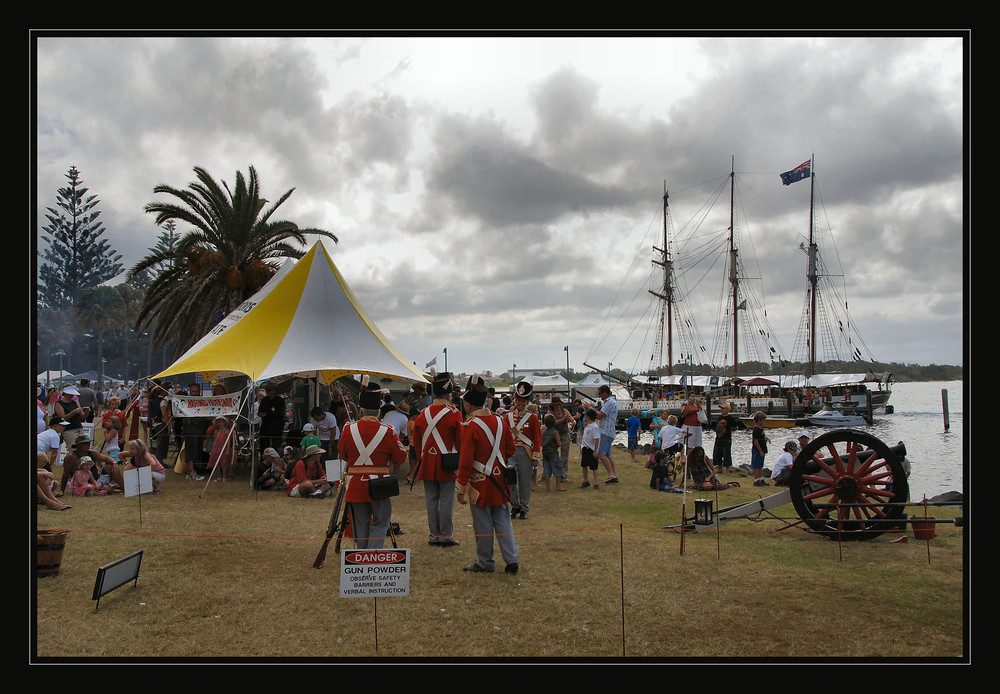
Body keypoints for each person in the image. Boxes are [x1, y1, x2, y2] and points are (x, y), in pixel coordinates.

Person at [455, 374, 520, 574]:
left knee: (482, 524)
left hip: (480, 481)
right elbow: (511, 450)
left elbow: (465, 460)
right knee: (502, 520)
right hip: (499, 479)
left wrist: (461, 487)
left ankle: (485, 562)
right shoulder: (500, 421)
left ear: (467, 405)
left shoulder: (470, 426)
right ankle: (512, 560)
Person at [339, 377, 407, 549]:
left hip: (355, 485)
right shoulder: (388, 431)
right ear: (379, 412)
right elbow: (400, 458)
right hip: (380, 484)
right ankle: (374, 555)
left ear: (360, 411)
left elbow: (343, 455)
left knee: (360, 524)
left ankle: (361, 556)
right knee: (380, 522)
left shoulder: (348, 430)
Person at [410, 369, 463, 547]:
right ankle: (445, 535)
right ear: (448, 394)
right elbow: (460, 441)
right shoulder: (454, 413)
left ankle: (434, 535)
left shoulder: (423, 413)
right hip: (446, 462)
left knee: (431, 500)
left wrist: (421, 458)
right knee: (446, 500)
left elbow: (416, 441)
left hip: (427, 462)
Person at [505, 380, 542, 520]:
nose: (520, 403)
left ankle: (524, 508)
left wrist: (535, 457)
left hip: (526, 453)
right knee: (510, 479)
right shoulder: (509, 417)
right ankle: (515, 505)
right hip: (512, 453)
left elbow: (537, 439)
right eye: (518, 400)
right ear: (515, 400)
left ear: (527, 402)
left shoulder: (532, 418)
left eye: (523, 400)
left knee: (525, 482)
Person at [179, 382, 207, 481]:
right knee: (190, 451)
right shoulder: (186, 402)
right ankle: (191, 472)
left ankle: (193, 471)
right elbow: (186, 419)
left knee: (197, 452)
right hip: (190, 431)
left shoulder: (201, 402)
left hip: (200, 430)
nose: (195, 393)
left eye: (197, 391)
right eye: (193, 391)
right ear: (190, 391)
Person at [595, 384, 619, 484]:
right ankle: (613, 474)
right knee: (607, 455)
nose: (599, 395)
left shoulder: (609, 402)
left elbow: (600, 415)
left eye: (600, 393)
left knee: (600, 454)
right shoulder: (612, 402)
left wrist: (589, 408)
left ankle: (611, 474)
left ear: (605, 393)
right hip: (609, 431)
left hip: (605, 431)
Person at [712, 402, 745, 475]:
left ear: (727, 409)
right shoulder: (719, 418)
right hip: (718, 439)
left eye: (723, 409)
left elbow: (736, 427)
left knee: (726, 454)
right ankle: (720, 468)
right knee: (717, 454)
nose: (722, 410)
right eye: (721, 409)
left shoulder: (730, 418)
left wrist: (730, 430)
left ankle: (727, 469)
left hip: (726, 439)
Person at [548, 396, 573, 480]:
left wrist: (573, 421)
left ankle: (563, 475)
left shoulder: (565, 411)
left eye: (559, 404)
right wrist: (564, 418)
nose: (558, 406)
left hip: (565, 434)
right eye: (556, 405)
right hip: (554, 436)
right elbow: (553, 423)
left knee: (564, 456)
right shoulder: (550, 413)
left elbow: (570, 418)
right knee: (552, 455)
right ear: (553, 405)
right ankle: (549, 474)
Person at [540, 413, 567, 491]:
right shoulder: (555, 432)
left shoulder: (543, 433)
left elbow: (541, 443)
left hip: (545, 453)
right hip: (553, 453)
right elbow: (559, 443)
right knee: (558, 468)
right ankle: (558, 486)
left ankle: (547, 487)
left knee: (547, 470)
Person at [258, 383, 286, 453]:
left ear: (274, 390)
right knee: (264, 445)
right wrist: (260, 414)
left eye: (269, 390)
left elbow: (279, 412)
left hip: (276, 427)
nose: (267, 392)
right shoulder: (264, 400)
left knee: (276, 444)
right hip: (265, 426)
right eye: (266, 390)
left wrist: (267, 414)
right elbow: (260, 411)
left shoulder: (280, 401)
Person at [207, 416, 234, 482]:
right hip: (216, 449)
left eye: (221, 422)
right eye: (218, 422)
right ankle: (218, 476)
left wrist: (228, 449)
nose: (219, 424)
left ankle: (224, 477)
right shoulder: (216, 431)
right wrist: (213, 449)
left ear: (224, 423)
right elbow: (215, 441)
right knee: (217, 463)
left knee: (224, 463)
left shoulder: (226, 431)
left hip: (224, 449)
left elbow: (228, 441)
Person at [580, 408, 601, 489]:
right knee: (584, 465)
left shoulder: (594, 427)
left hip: (591, 449)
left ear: (588, 417)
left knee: (594, 467)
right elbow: (584, 438)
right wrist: (582, 447)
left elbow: (597, 438)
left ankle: (596, 483)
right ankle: (586, 481)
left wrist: (595, 450)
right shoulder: (587, 426)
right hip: (585, 448)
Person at [751, 411, 770, 487]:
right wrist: (760, 451)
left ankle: (760, 479)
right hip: (757, 450)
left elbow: (761, 438)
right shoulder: (756, 430)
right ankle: (756, 480)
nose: (764, 422)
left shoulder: (760, 430)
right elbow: (756, 442)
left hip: (763, 449)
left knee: (760, 465)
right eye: (764, 421)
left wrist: (766, 438)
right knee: (756, 466)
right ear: (759, 421)